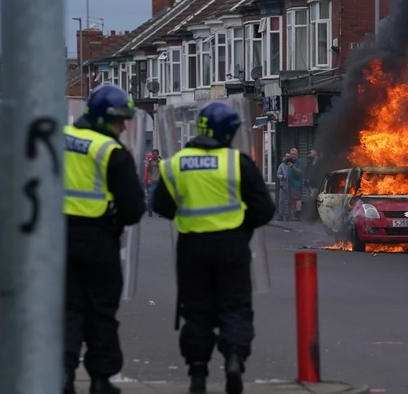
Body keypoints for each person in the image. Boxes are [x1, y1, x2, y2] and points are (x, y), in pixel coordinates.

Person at [153, 101, 274, 394]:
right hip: (232, 247)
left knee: (197, 311)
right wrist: (242, 225)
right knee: (235, 307)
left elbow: (160, 206)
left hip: (192, 248)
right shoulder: (238, 163)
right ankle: (233, 357)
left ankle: (197, 371)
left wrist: (188, 212)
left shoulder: (175, 164)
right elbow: (264, 208)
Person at [63, 85, 145, 394]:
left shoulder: (58, 139)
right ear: (102, 118)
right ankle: (100, 380)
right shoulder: (111, 152)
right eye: (118, 121)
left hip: (58, 240)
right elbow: (134, 208)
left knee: (67, 310)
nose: (123, 127)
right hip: (99, 241)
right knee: (100, 313)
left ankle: (62, 373)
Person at [146, 149, 161, 217]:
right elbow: (148, 171)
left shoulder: (161, 161)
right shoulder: (150, 162)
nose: (155, 155)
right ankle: (150, 211)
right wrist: (149, 179)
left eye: (156, 154)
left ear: (158, 154)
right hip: (153, 181)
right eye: (153, 154)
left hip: (160, 182)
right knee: (150, 197)